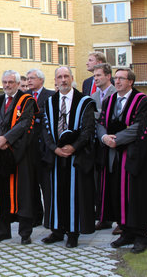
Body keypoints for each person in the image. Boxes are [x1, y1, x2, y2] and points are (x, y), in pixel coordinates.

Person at [97, 68, 147, 254]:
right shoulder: (109, 100)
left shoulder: (142, 101)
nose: (118, 81)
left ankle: (141, 236)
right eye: (116, 78)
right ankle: (126, 231)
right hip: (113, 157)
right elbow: (101, 123)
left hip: (133, 156)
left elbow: (139, 127)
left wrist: (117, 140)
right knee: (116, 194)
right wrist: (104, 138)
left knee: (134, 196)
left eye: (122, 78)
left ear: (130, 81)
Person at [41, 66, 96, 248]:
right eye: (59, 77)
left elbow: (88, 129)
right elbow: (46, 130)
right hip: (56, 156)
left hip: (76, 156)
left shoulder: (84, 102)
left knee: (74, 194)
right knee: (56, 193)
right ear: (55, 80)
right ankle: (57, 230)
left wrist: (74, 147)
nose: (63, 80)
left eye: (66, 76)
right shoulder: (49, 102)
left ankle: (73, 232)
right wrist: (53, 148)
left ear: (72, 78)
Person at [0, 70, 38, 244]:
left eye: (10, 82)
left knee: (22, 193)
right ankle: (3, 231)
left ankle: (24, 233)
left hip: (18, 154)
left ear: (17, 83)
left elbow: (25, 124)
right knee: (0, 194)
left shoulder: (27, 100)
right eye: (4, 82)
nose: (7, 85)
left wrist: (6, 139)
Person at [25, 68, 55, 228]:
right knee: (32, 185)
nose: (29, 81)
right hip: (29, 148)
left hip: (45, 147)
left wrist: (33, 115)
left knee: (47, 185)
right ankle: (36, 216)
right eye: (28, 78)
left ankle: (50, 218)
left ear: (41, 80)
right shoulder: (25, 96)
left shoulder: (50, 96)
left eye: (32, 78)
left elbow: (48, 114)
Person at [90, 63, 117, 232]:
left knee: (115, 182)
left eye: (99, 75)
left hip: (114, 142)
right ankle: (104, 217)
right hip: (98, 143)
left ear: (108, 76)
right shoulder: (93, 96)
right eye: (94, 76)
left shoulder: (117, 93)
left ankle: (120, 220)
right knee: (100, 182)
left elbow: (113, 116)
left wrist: (98, 114)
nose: (96, 78)